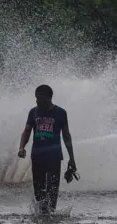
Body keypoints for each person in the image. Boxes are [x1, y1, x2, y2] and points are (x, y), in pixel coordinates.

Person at [18, 84, 77, 214]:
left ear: (49, 98)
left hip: (54, 157)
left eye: (41, 98)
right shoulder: (33, 112)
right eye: (36, 98)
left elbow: (66, 136)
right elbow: (26, 131)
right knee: (38, 190)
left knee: (52, 189)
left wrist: (72, 159)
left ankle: (50, 217)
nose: (37, 101)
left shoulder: (61, 113)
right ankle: (41, 216)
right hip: (37, 156)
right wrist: (21, 147)